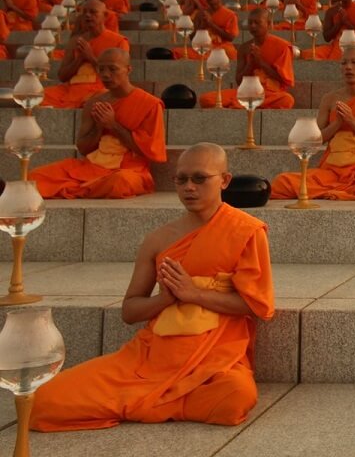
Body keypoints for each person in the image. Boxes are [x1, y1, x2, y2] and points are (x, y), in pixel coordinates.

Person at [31, 143, 274, 431]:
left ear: (224, 180)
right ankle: (159, 401)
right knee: (43, 401)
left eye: (200, 178)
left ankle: (144, 402)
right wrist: (166, 299)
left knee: (237, 397)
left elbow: (256, 305)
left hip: (214, 360)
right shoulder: (159, 240)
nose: (189, 187)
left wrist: (193, 293)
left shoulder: (246, 230)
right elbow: (130, 310)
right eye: (181, 179)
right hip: (149, 358)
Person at [31, 49, 166, 199]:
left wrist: (113, 125)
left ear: (128, 70)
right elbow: (83, 148)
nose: (106, 75)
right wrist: (99, 126)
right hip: (92, 167)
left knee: (120, 183)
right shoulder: (94, 103)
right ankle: (84, 187)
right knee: (34, 177)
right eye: (101, 69)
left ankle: (78, 188)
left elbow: (150, 151)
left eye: (113, 69)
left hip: (129, 170)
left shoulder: (150, 104)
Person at [271, 47, 355, 200]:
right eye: (344, 63)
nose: (348, 67)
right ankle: (341, 190)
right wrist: (336, 124)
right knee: (281, 183)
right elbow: (315, 140)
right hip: (331, 171)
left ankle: (339, 191)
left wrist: (352, 121)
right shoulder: (330, 99)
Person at [41, 0, 130, 108]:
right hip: (71, 88)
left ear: (105, 15)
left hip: (99, 88)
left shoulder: (119, 41)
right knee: (36, 96)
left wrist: (90, 56)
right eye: (84, 12)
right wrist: (80, 59)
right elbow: (62, 76)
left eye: (93, 12)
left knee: (100, 99)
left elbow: (118, 75)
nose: (88, 15)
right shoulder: (75, 41)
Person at [200, 8, 295, 109]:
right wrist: (250, 64)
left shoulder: (282, 46)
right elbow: (239, 81)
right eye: (250, 23)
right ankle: (246, 104)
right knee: (206, 99)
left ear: (267, 23)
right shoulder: (244, 48)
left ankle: (241, 105)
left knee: (287, 99)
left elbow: (284, 81)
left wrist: (260, 63)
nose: (253, 26)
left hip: (270, 93)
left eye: (257, 23)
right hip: (246, 92)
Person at [174, 0, 239, 60]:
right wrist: (202, 27)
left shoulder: (230, 14)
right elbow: (192, 39)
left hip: (222, 48)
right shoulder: (200, 14)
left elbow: (230, 37)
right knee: (176, 52)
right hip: (203, 48)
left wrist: (211, 24)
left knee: (230, 53)